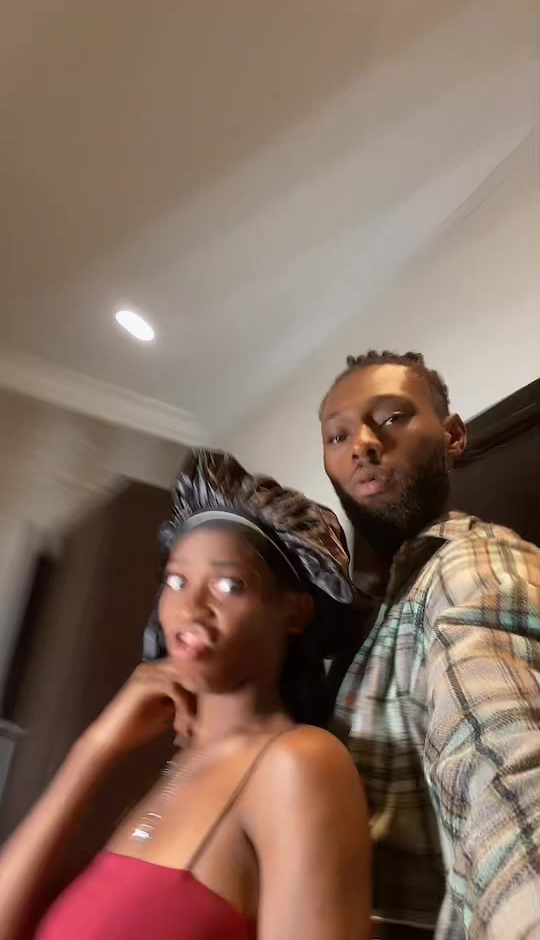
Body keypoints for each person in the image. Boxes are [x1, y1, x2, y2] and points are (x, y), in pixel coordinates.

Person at [0, 450, 371, 940]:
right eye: (176, 581)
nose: (189, 608)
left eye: (228, 585)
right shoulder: (178, 765)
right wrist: (93, 750)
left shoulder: (299, 764)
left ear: (295, 613)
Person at [320, 350, 540, 940]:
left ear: (453, 436)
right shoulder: (369, 615)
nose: (362, 444)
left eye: (391, 418)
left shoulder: (475, 562)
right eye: (338, 436)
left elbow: (504, 763)